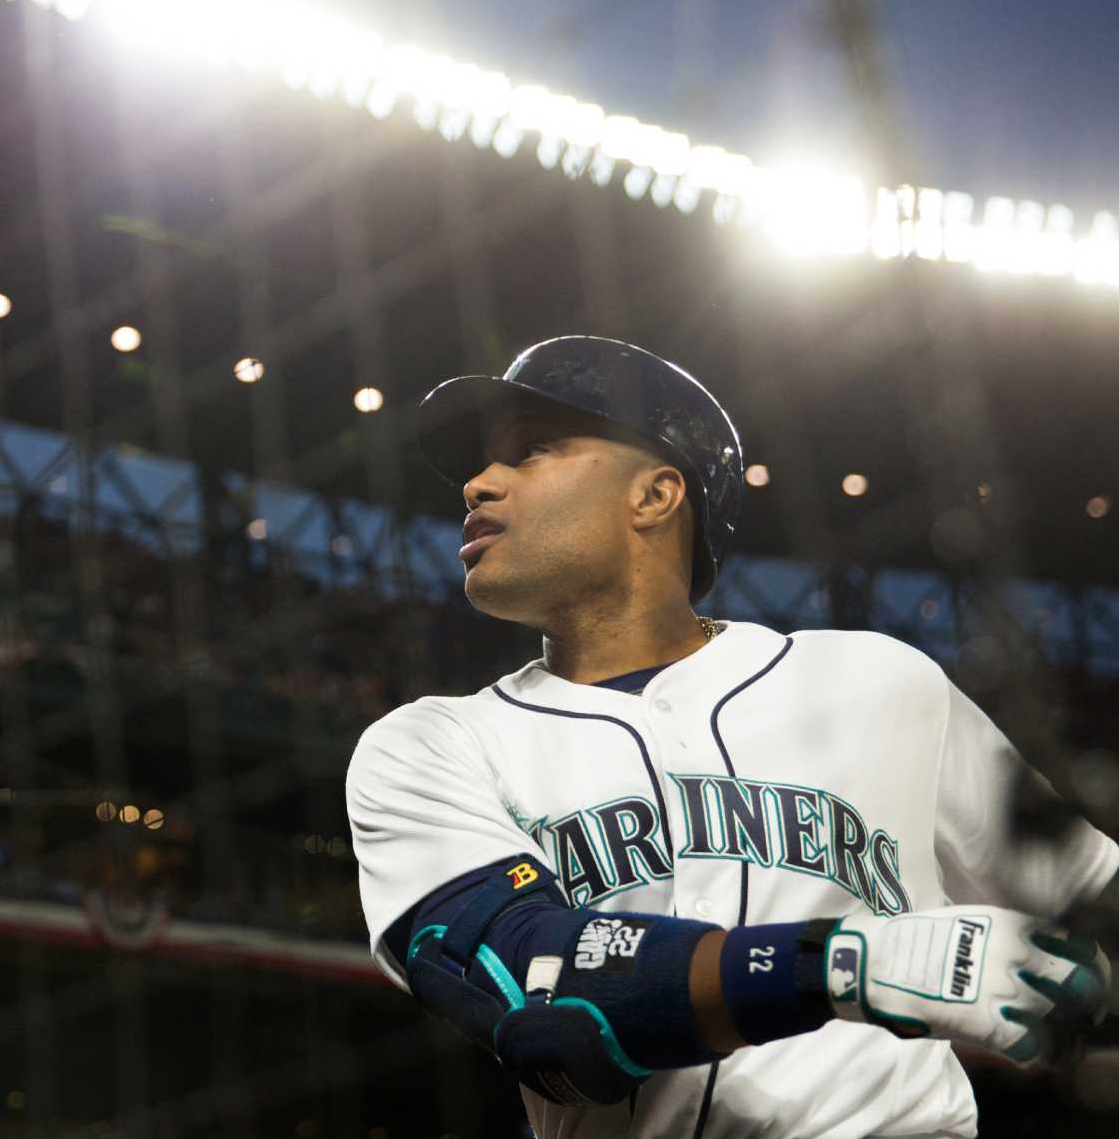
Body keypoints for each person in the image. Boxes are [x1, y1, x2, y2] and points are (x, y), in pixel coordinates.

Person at [344, 336, 1115, 1138]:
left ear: (656, 494)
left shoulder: (882, 681)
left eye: (530, 449)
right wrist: (848, 964)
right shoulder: (429, 746)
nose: (476, 482)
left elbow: (1095, 905)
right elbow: (539, 1003)